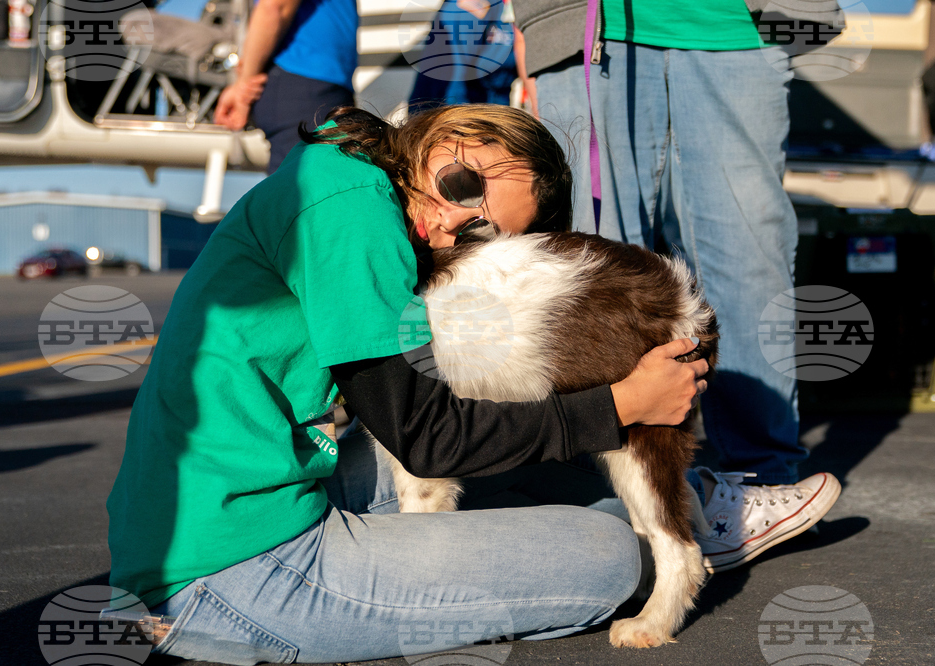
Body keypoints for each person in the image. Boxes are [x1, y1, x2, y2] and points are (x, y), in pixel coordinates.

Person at [107, 103, 713, 664]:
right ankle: (696, 531)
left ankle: (695, 515)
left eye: (479, 233)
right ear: (452, 135)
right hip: (234, 569)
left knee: (559, 482)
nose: (451, 221)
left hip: (220, 502)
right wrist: (623, 404)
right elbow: (424, 440)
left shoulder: (341, 172)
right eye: (463, 185)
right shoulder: (351, 214)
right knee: (606, 556)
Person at [510, 0, 842, 572]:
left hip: (736, 24)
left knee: (748, 254)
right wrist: (532, 31)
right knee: (598, 272)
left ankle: (754, 484)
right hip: (588, 26)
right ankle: (615, 496)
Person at [213, 0, 357, 174]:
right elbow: (274, 7)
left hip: (315, 85)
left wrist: (242, 83)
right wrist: (244, 86)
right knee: (308, 192)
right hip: (304, 84)